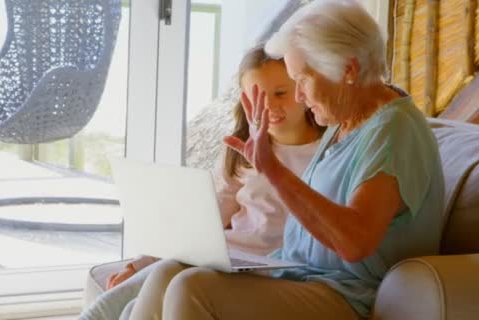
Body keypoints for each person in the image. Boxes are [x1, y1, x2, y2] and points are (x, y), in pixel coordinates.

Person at [126, 1, 445, 319]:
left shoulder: (394, 131)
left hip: (346, 295)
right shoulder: (344, 121)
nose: (300, 97)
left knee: (191, 286)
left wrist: (274, 171)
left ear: (348, 69)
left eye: (302, 80)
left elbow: (354, 242)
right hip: (295, 276)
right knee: (168, 273)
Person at [78, 44, 324, 320]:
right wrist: (143, 261)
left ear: (302, 90)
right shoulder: (241, 152)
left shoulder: (326, 153)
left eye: (280, 93)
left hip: (271, 270)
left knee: (165, 281)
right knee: (143, 290)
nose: (268, 107)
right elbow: (203, 223)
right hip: (227, 258)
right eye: (256, 97)